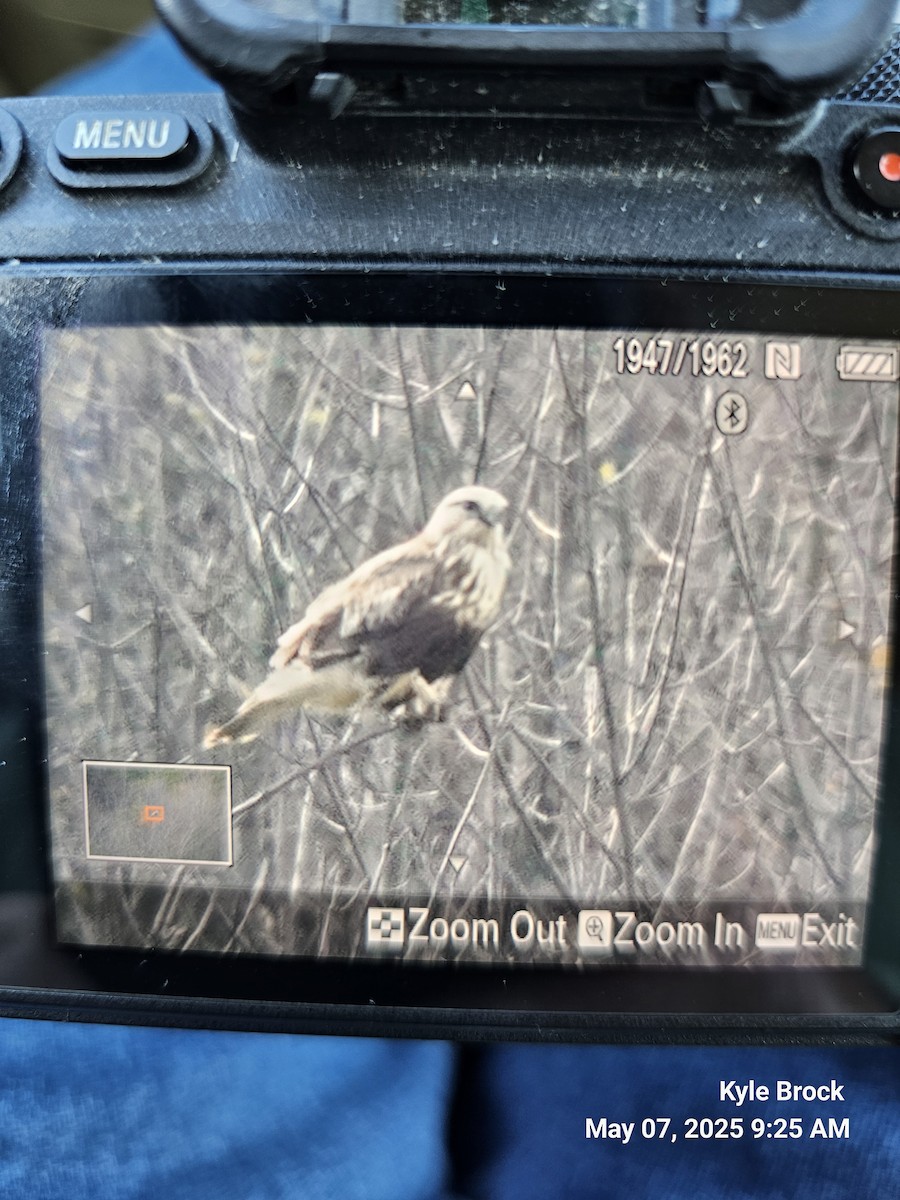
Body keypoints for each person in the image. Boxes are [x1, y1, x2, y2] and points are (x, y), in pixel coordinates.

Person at [3, 22, 897, 1199]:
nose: (491, 517)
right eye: (476, 503)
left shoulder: (494, 572)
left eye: (496, 507)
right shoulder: (422, 561)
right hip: (330, 703)